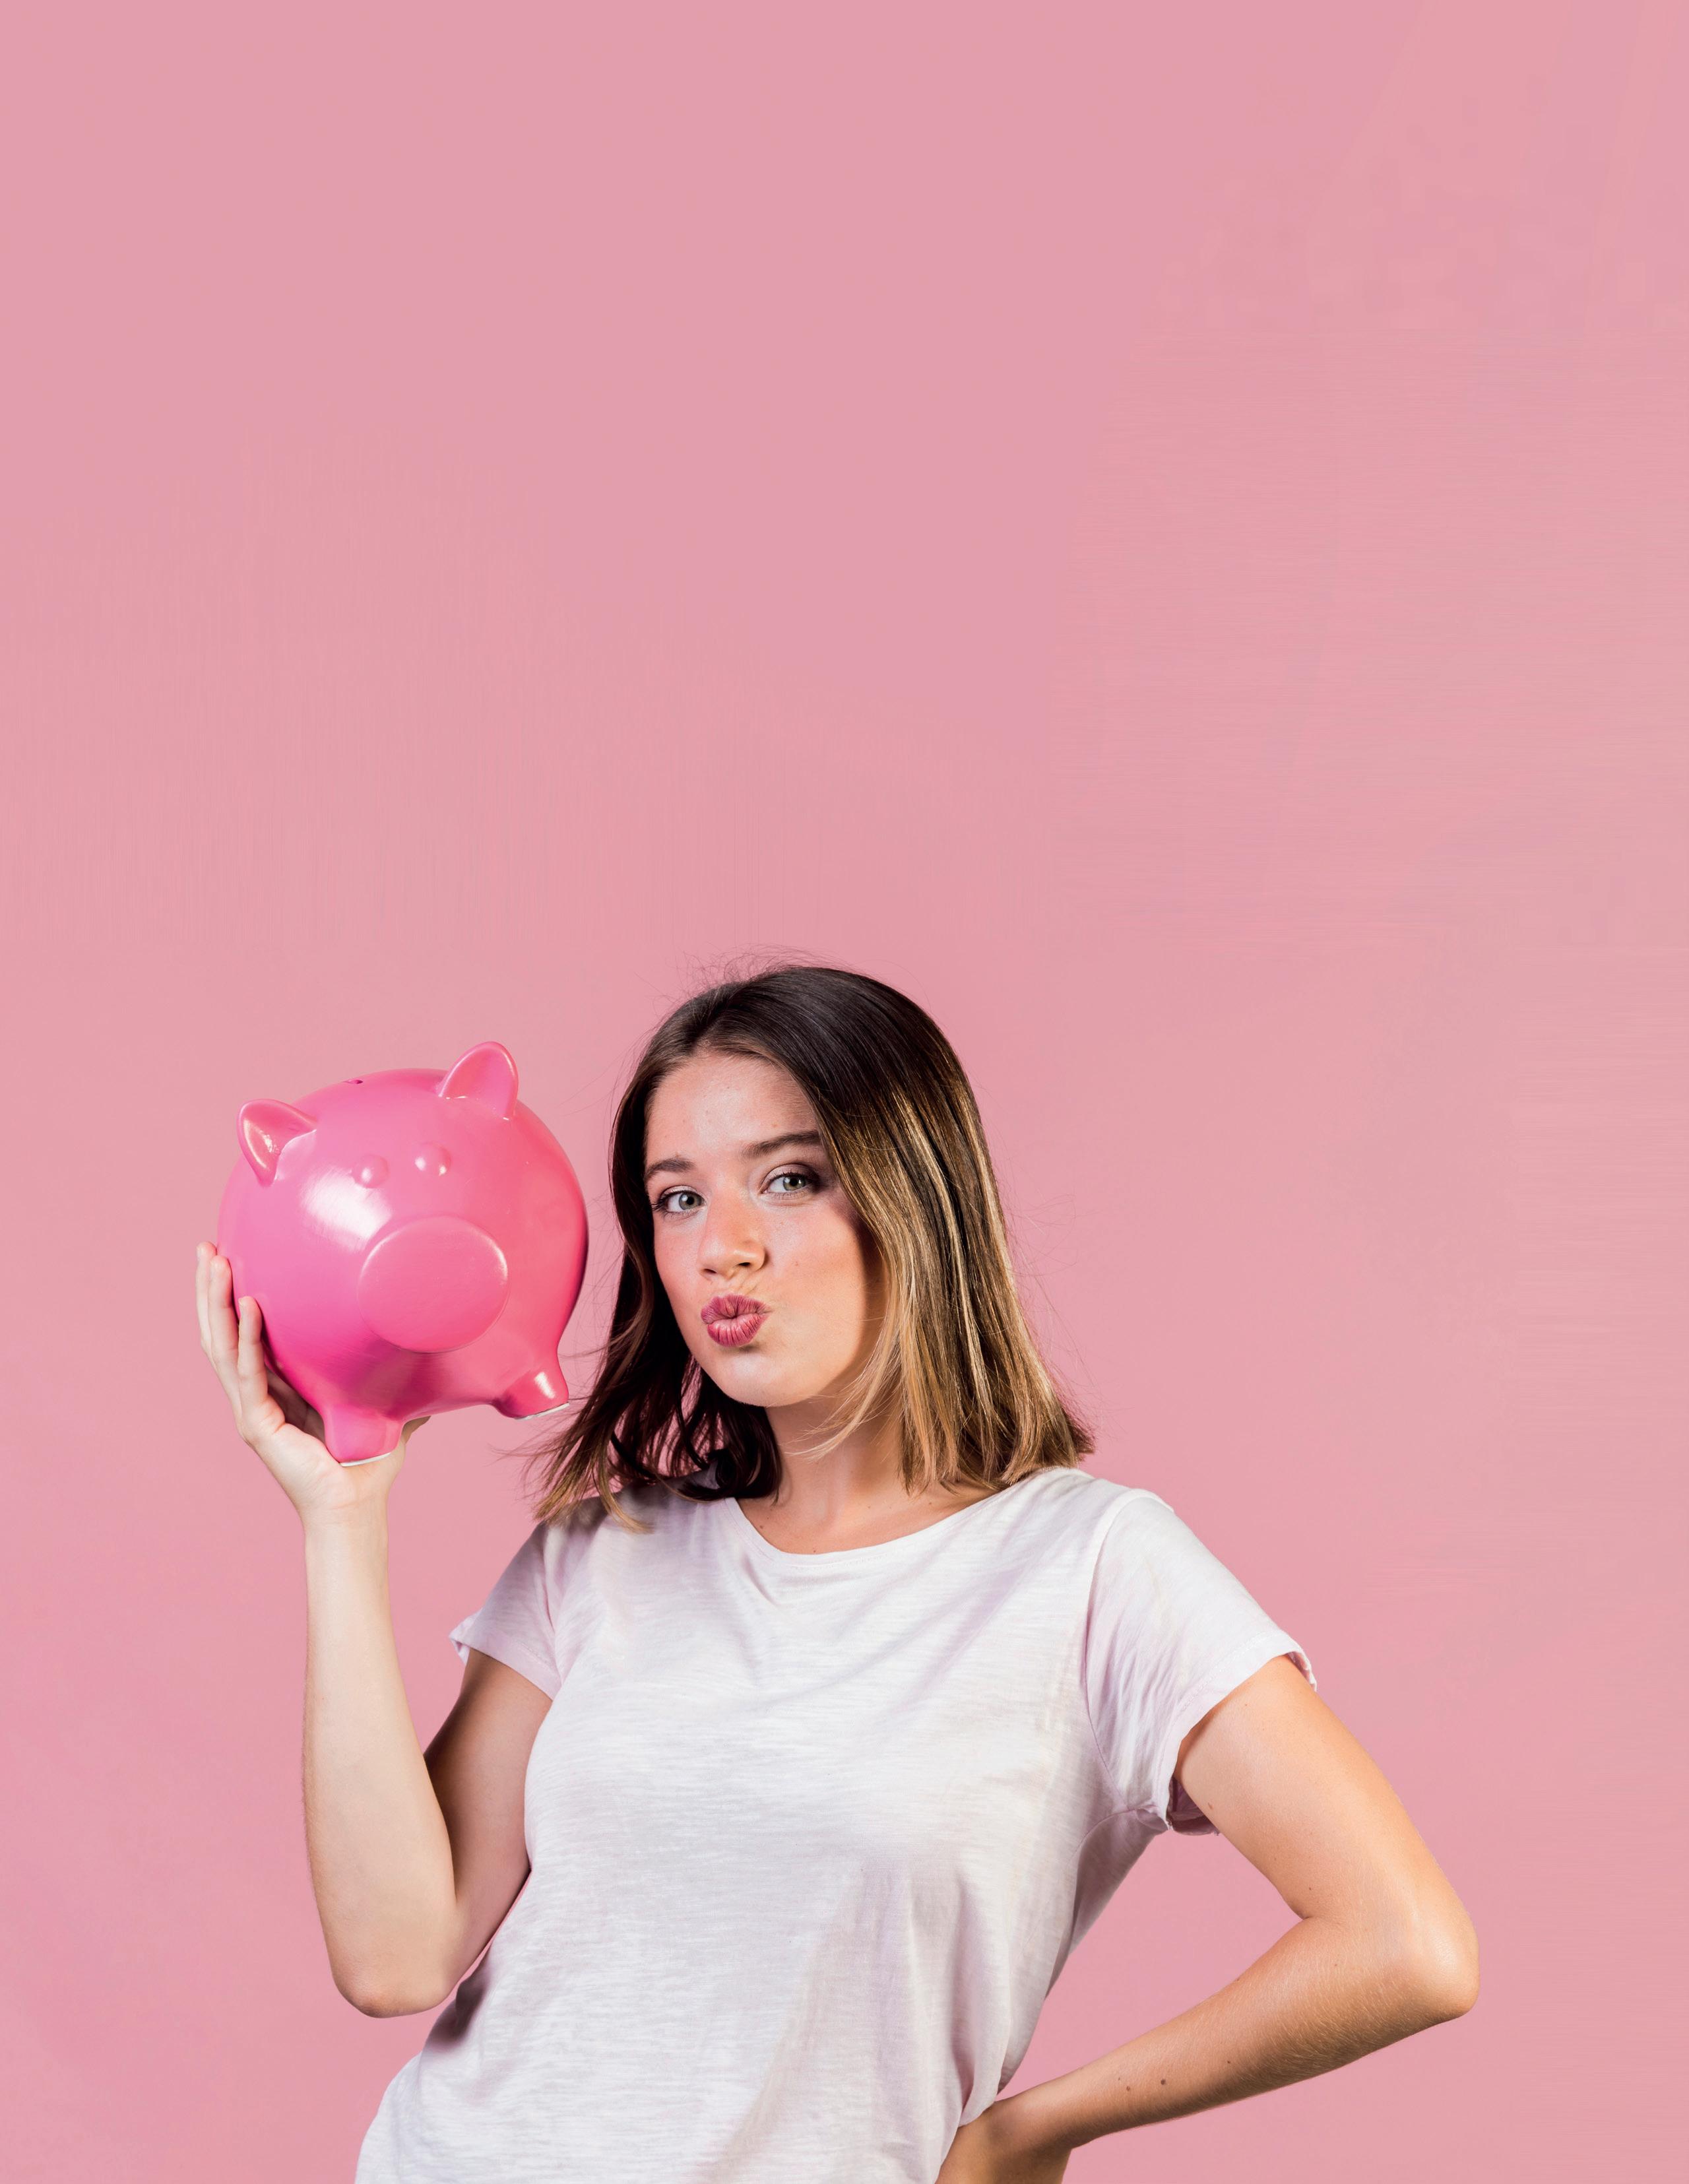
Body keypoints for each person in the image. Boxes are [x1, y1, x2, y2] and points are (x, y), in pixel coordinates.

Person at [193, 963, 1478, 2183]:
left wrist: (1033, 2127)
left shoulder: (1092, 1570)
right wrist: (341, 1518)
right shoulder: (603, 1551)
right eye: (678, 1198)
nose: (723, 1246)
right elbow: (395, 1954)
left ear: (916, 1196)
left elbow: (1403, 1942)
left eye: (790, 1178)